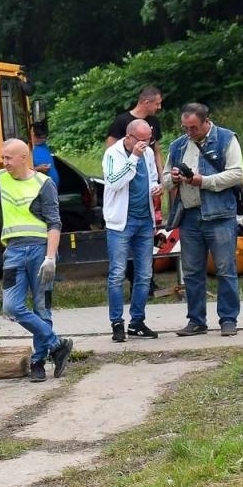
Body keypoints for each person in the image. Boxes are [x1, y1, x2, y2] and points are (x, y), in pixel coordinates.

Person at [0, 139, 73, 382]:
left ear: (24, 158)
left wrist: (50, 257)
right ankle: (57, 344)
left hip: (41, 250)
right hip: (13, 250)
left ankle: (38, 362)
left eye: (9, 157)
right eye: (4, 157)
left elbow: (54, 223)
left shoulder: (45, 184)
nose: (5, 162)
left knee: (42, 307)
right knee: (11, 307)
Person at [163, 103, 243, 337]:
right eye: (186, 127)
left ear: (206, 121)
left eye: (194, 127)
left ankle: (228, 319)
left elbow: (237, 173)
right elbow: (165, 179)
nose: (189, 132)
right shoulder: (177, 145)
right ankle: (196, 320)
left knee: (225, 268)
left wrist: (203, 181)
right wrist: (175, 178)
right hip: (189, 215)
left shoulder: (226, 138)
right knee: (191, 271)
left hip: (220, 215)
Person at [102, 119, 162, 341]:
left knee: (145, 274)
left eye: (149, 140)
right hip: (120, 222)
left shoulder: (146, 153)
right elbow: (114, 182)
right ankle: (117, 322)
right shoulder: (113, 154)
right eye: (142, 141)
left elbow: (152, 177)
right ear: (129, 137)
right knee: (117, 273)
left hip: (144, 220)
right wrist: (134, 158)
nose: (146, 145)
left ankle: (137, 321)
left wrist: (156, 188)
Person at [108, 86, 164, 150]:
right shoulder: (121, 121)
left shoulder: (154, 121)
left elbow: (156, 151)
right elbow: (110, 150)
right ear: (147, 103)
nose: (159, 107)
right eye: (157, 104)